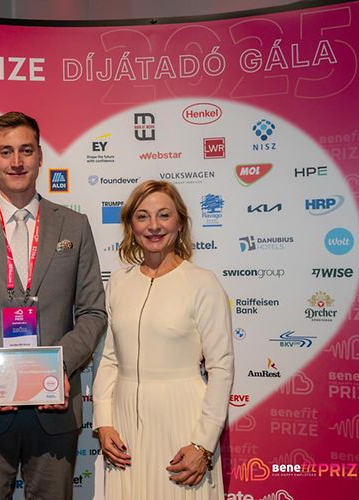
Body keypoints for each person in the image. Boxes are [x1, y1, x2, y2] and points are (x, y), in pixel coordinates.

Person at [0, 111, 107, 499]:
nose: (16, 162)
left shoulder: (74, 226)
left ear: (40, 156)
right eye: (6, 151)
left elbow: (93, 312)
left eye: (26, 151)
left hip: (54, 410)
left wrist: (58, 366)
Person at [92, 180, 234, 499]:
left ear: (180, 222)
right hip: (124, 429)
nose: (154, 226)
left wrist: (203, 443)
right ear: (131, 226)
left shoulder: (203, 284)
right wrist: (104, 422)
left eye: (164, 215)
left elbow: (221, 368)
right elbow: (110, 358)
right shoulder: (119, 282)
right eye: (142, 216)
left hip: (182, 422)